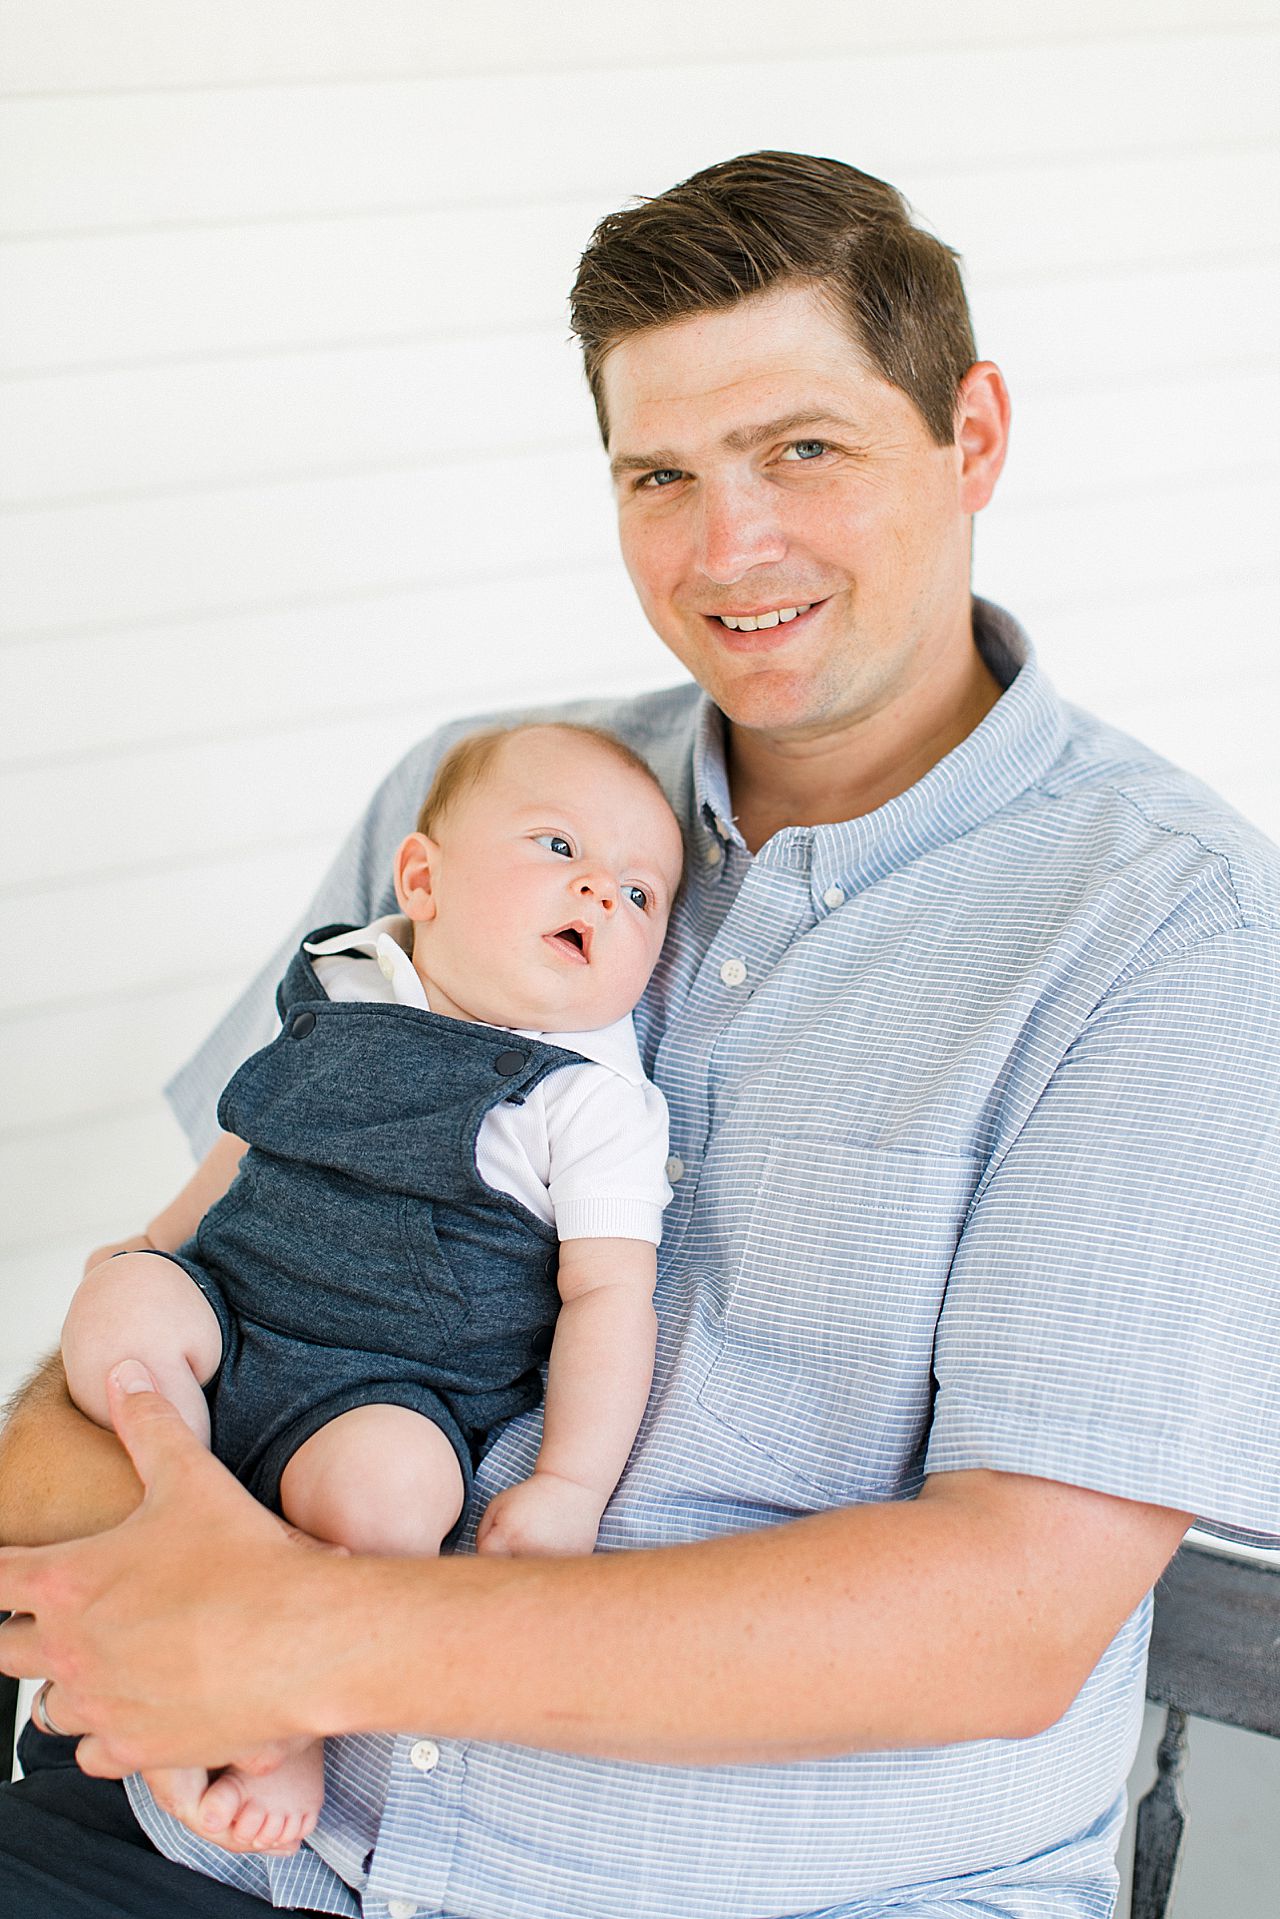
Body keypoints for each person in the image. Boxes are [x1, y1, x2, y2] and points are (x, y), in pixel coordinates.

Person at [2, 149, 1278, 1919]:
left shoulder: (1169, 930)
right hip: (226, 1844)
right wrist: (125, 1534)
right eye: (660, 472)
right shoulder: (479, 799)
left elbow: (1008, 1622)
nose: (726, 547)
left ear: (971, 433)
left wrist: (308, 1626)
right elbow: (182, 1282)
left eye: (802, 450)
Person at [53, 719, 683, 1855]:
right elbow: (246, 1142)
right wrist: (154, 1242)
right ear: (422, 879)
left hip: (388, 1386)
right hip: (231, 1312)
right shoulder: (345, 978)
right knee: (118, 1315)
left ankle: (281, 1716)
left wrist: (572, 1481)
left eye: (641, 894)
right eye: (558, 845)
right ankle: (166, 1547)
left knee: (384, 1500)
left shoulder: (590, 1100)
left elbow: (608, 1298)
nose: (603, 886)